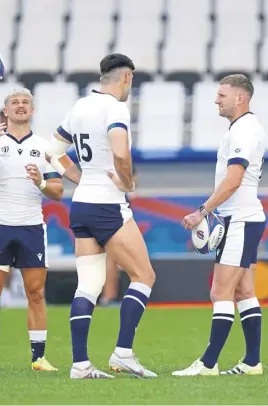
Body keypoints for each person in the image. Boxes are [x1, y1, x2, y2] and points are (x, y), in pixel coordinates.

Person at [46, 53, 157, 379]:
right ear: (126, 77)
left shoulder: (79, 107)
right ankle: (123, 352)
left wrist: (80, 178)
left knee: (89, 284)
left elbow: (53, 153)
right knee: (144, 276)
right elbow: (120, 151)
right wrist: (128, 182)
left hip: (81, 204)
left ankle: (80, 364)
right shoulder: (115, 108)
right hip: (108, 204)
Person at [0, 88, 72, 372]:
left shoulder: (45, 147)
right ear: (6, 111)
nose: (21, 106)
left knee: (35, 292)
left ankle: (39, 358)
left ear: (33, 111)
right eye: (15, 103)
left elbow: (58, 191)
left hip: (31, 226)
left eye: (26, 102)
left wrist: (41, 184)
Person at [172, 74, 266, 376]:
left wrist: (201, 211)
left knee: (220, 293)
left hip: (239, 219)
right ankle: (252, 363)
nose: (216, 100)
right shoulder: (244, 128)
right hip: (244, 218)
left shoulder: (243, 131)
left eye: (222, 95)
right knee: (243, 292)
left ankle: (208, 364)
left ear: (240, 97)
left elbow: (234, 180)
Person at [100, 166, 138, 306]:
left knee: (111, 261)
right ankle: (109, 297)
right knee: (111, 261)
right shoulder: (119, 189)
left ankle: (110, 296)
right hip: (114, 226)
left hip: (108, 223)